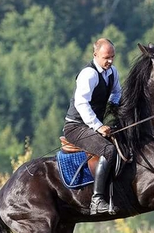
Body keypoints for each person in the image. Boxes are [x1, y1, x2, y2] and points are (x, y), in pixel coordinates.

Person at [63, 38, 122, 215]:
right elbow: (82, 104)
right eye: (106, 57)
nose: (110, 61)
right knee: (109, 150)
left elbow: (117, 92)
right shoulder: (88, 74)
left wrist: (113, 108)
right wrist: (98, 126)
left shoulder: (112, 72)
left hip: (93, 125)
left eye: (112, 57)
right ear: (95, 54)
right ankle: (97, 200)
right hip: (76, 127)